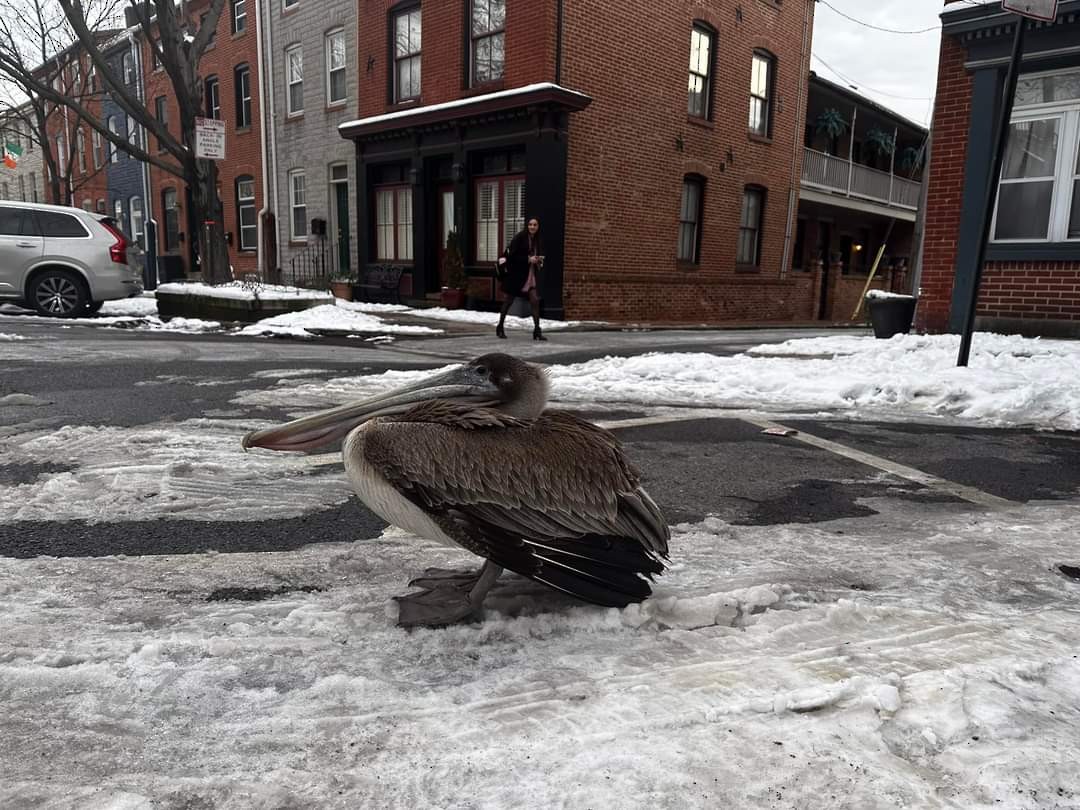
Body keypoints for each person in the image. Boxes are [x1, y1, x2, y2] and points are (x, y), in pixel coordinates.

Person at [496, 217, 547, 341]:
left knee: (535, 300)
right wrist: (528, 259)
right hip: (516, 275)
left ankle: (537, 330)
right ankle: (500, 326)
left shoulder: (538, 240)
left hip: (530, 275)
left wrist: (539, 261)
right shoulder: (520, 237)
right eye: (530, 224)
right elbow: (512, 256)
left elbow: (536, 256)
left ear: (538, 226)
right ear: (527, 226)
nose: (532, 227)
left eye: (535, 225)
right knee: (509, 301)